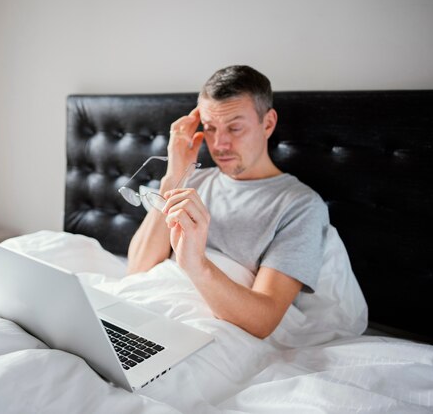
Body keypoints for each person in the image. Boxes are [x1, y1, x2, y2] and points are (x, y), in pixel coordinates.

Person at [126, 65, 334, 340]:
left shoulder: (299, 205)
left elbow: (264, 319)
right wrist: (173, 176)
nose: (219, 144)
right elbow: (137, 268)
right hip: (148, 308)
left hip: (211, 332)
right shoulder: (193, 180)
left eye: (234, 128)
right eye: (210, 128)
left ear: (268, 123)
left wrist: (195, 264)